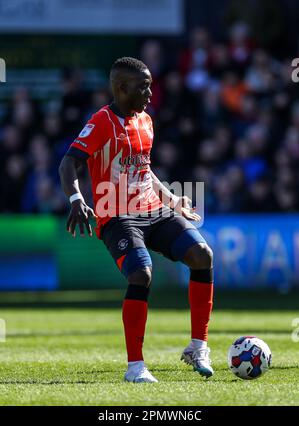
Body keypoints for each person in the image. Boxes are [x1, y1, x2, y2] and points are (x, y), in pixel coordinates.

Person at [59, 57, 214, 383]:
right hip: (116, 216)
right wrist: (76, 199)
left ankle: (198, 346)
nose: (149, 93)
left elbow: (143, 169)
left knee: (202, 255)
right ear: (121, 87)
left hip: (152, 210)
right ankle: (135, 367)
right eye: (143, 87)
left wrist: (171, 199)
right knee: (142, 273)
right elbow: (68, 164)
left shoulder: (145, 120)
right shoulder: (101, 122)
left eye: (150, 86)